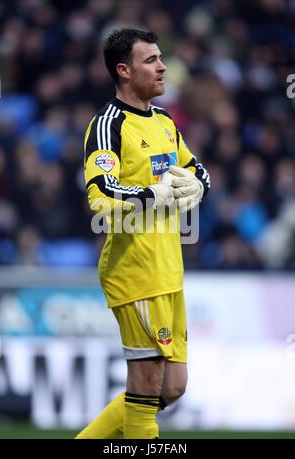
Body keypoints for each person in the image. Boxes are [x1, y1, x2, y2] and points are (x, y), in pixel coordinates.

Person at [76, 28, 210, 439]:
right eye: (150, 59)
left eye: (160, 57)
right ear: (124, 70)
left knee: (172, 387)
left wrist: (199, 185)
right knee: (148, 384)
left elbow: (194, 168)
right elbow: (100, 194)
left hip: (169, 269)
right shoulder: (107, 126)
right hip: (134, 271)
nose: (163, 66)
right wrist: (155, 193)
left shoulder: (165, 121)